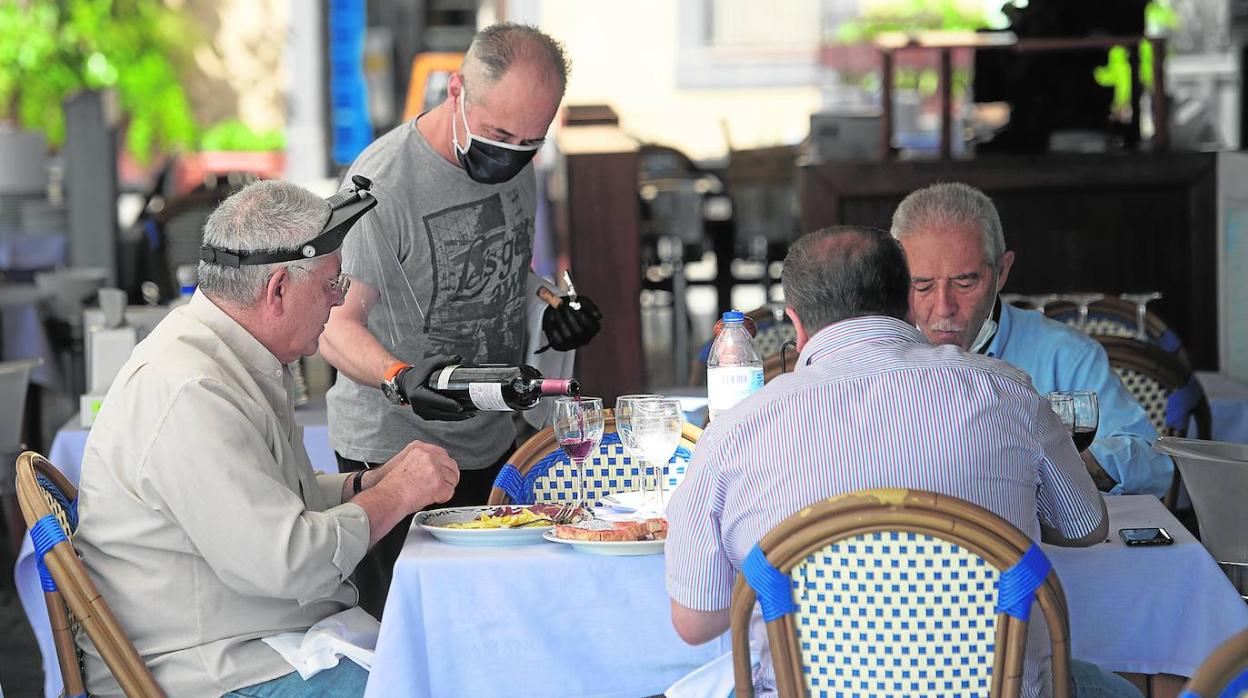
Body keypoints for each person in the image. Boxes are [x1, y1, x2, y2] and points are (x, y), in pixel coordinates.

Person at [665, 226, 1138, 698]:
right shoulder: (1006, 390)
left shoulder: (735, 431)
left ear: (796, 324)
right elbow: (1085, 527)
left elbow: (696, 622)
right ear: (910, 304)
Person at [74, 180, 460, 698]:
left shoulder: (222, 355)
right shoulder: (190, 389)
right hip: (208, 672)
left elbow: (261, 500)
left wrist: (362, 484)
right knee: (440, 679)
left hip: (245, 642)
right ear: (277, 289)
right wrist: (396, 496)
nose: (336, 303)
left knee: (447, 657)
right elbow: (291, 563)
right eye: (332, 285)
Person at [319, 22, 601, 617]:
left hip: (492, 439)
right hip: (395, 454)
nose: (513, 154)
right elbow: (334, 325)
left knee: (492, 627)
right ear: (456, 92)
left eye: (531, 140)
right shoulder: (383, 186)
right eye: (500, 134)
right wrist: (401, 376)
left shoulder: (517, 162)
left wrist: (553, 308)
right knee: (411, 637)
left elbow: (499, 266)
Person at [890, 182, 1173, 497]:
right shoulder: (875, 356)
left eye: (965, 282)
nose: (944, 307)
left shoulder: (1065, 354)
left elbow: (1155, 466)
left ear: (1002, 271)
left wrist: (1060, 464)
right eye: (923, 285)